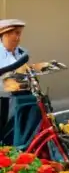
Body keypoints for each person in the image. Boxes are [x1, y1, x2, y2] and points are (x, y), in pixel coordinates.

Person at [0, 19, 43, 149]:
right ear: (6, 34)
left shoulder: (19, 52)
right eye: (16, 34)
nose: (19, 38)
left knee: (21, 126)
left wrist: (41, 66)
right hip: (3, 97)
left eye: (20, 34)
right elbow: (6, 72)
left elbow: (23, 68)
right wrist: (11, 83)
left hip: (18, 97)